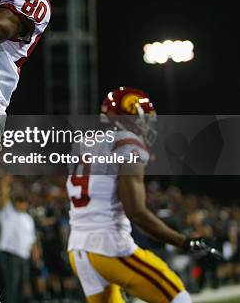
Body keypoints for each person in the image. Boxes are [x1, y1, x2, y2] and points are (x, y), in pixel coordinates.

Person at [66, 87, 221, 303]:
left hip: (78, 249)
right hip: (108, 246)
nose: (147, 124)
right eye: (143, 118)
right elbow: (136, 212)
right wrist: (184, 241)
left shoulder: (83, 144)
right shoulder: (127, 142)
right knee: (179, 299)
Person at [0, 177, 38, 303]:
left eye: (25, 202)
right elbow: (4, 198)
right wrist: (4, 185)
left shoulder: (28, 218)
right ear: (17, 203)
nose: (23, 204)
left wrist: (35, 252)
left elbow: (31, 238)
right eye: (21, 202)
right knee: (10, 286)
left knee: (22, 285)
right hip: (10, 255)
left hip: (24, 256)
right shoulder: (8, 213)